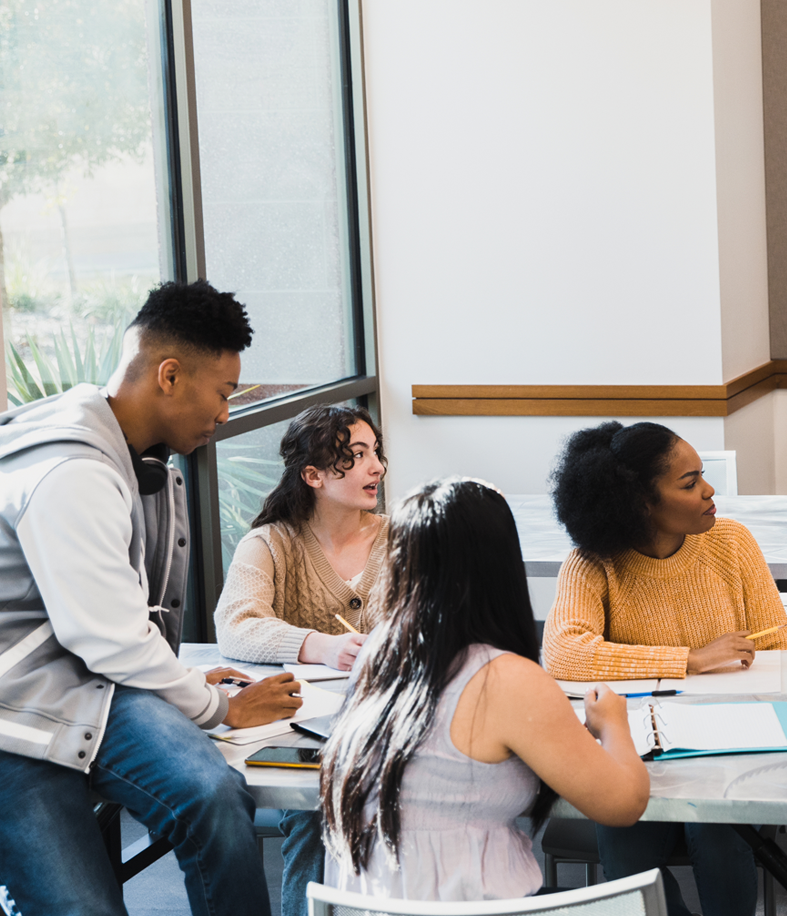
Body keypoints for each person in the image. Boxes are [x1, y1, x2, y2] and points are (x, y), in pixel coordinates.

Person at [0, 280, 302, 916]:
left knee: (216, 799)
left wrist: (181, 682)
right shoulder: (72, 472)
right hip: (16, 717)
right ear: (169, 375)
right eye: (222, 392)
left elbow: (111, 627)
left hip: (93, 687)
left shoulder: (138, 462)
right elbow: (106, 636)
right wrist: (218, 708)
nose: (225, 414)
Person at [322, 477, 649, 901]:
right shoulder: (506, 678)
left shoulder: (376, 657)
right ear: (501, 564)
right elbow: (623, 804)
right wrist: (612, 726)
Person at [544, 420, 787, 916]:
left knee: (719, 826)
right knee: (625, 847)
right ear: (641, 502)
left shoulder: (731, 542)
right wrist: (691, 660)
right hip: (638, 752)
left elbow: (780, 648)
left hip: (729, 746)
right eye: (688, 484)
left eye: (702, 476)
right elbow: (564, 652)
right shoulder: (593, 563)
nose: (709, 491)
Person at [214, 404, 388, 916]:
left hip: (394, 724)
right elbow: (237, 624)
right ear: (312, 475)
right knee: (318, 816)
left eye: (376, 453)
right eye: (357, 457)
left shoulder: (402, 538)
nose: (376, 467)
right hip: (309, 736)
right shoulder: (269, 543)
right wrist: (321, 645)